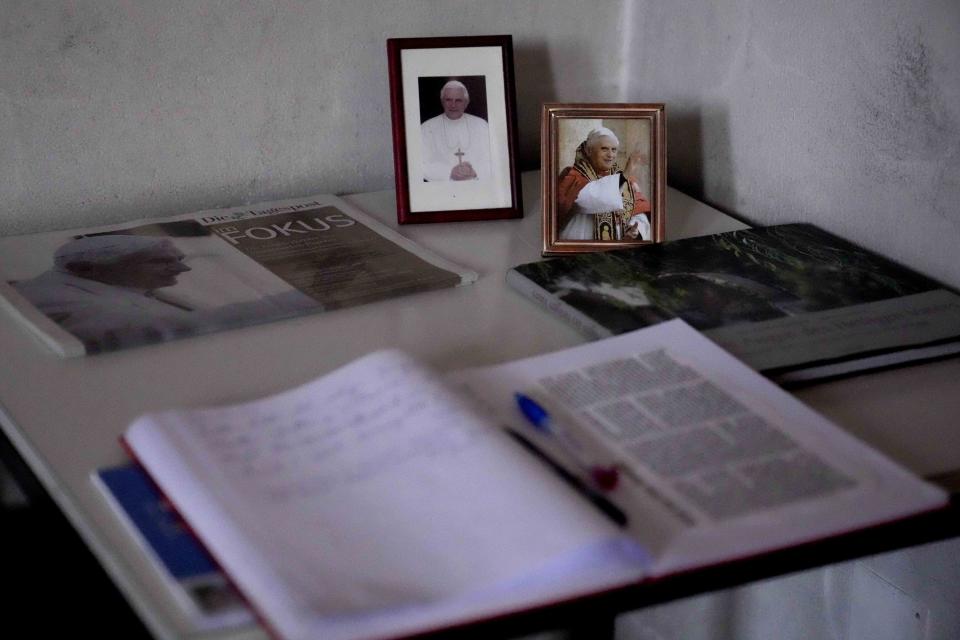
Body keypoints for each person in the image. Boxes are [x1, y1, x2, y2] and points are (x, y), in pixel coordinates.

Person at [13, 235, 199, 352]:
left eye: (179, 259)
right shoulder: (61, 300)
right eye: (160, 261)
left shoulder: (126, 287)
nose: (184, 268)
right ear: (86, 269)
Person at [556, 127, 652, 241]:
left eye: (614, 150)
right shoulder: (572, 175)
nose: (610, 155)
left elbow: (639, 209)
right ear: (589, 150)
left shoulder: (626, 178)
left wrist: (636, 229)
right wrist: (624, 176)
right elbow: (584, 200)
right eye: (604, 149)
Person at [420, 79, 492, 182]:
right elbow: (420, 164)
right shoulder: (427, 128)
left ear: (466, 103)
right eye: (448, 100)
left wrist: (475, 171)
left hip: (477, 186)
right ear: (442, 101)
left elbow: (495, 158)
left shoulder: (482, 125)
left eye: (458, 100)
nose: (453, 105)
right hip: (442, 189)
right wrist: (449, 172)